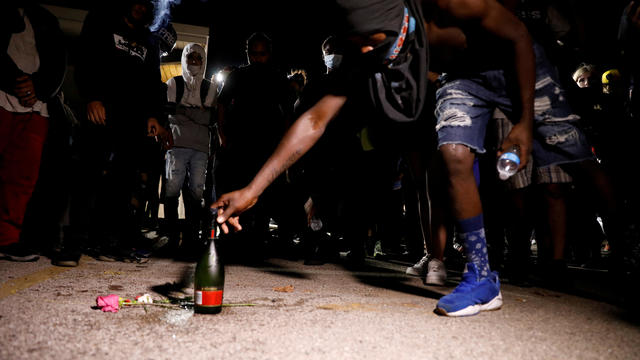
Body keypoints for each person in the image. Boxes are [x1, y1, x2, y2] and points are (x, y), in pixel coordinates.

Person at [73, 0, 171, 262]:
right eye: (136, 1)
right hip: (101, 113)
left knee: (122, 183)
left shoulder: (149, 41)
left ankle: (108, 242)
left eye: (146, 5)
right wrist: (92, 96)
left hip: (132, 122)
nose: (141, 7)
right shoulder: (102, 24)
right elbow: (85, 60)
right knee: (88, 177)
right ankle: (75, 242)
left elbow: (153, 83)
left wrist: (154, 116)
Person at [215, 32, 292, 261]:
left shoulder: (279, 78)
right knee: (239, 186)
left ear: (269, 53)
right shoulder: (238, 75)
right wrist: (222, 135)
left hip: (268, 143)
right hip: (240, 142)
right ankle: (236, 239)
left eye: (262, 54)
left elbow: (288, 112)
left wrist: (285, 143)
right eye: (254, 54)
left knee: (265, 193)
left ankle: (260, 239)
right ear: (248, 53)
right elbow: (221, 104)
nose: (258, 58)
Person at [0, 1, 66, 261]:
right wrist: (16, 81)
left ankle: (6, 239)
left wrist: (37, 87)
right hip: (3, 94)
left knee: (22, 177)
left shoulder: (46, 18)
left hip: (36, 105)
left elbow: (58, 60)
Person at [163, 42, 217, 259]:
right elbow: (169, 114)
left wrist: (182, 111)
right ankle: (171, 236)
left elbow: (210, 118)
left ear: (203, 61)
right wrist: (198, 113)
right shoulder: (173, 83)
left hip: (200, 148)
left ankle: (192, 236)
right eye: (190, 57)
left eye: (198, 58)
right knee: (171, 189)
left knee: (196, 191)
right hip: (176, 145)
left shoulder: (210, 87)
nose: (194, 61)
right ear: (184, 59)